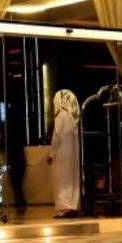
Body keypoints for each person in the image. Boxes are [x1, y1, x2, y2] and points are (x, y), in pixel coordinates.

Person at [49, 89, 81, 218]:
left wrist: (51, 154)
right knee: (71, 180)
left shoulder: (61, 116)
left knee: (61, 181)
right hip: (73, 155)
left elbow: (56, 137)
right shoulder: (73, 118)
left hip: (62, 154)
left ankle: (64, 209)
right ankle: (73, 206)